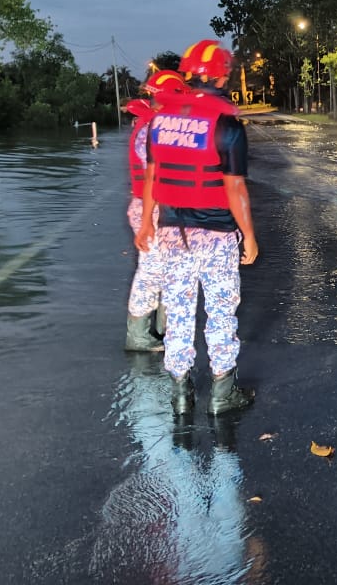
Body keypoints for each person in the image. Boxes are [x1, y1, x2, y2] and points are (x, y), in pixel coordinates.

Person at [135, 40, 259, 416]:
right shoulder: (227, 126)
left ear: (189, 75)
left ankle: (181, 395)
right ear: (222, 76)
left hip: (173, 234)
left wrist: (145, 225)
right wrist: (249, 236)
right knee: (221, 312)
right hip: (217, 237)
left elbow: (152, 178)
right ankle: (222, 395)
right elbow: (235, 188)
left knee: (178, 311)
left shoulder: (160, 122)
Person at [123, 70, 189, 352]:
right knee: (151, 272)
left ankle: (165, 329)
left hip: (161, 209)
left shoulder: (156, 124)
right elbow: (158, 172)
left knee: (168, 269)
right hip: (150, 211)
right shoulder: (152, 129)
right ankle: (138, 336)